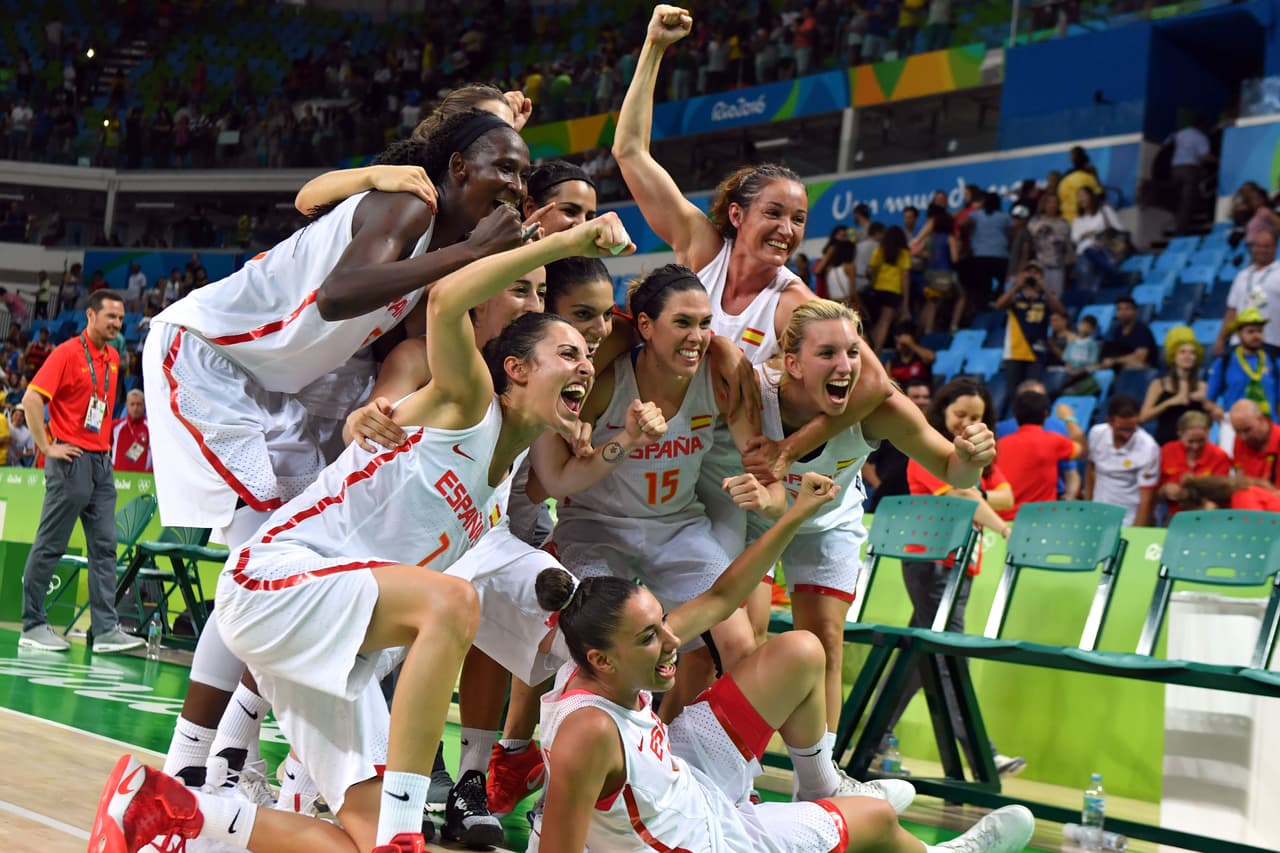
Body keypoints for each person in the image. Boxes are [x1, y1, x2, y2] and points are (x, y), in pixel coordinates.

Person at [88, 213, 637, 853]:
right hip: (271, 579)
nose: (585, 365)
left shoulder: (503, 479)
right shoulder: (470, 400)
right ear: (514, 368)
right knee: (454, 602)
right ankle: (404, 827)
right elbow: (448, 298)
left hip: (332, 642)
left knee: (360, 842)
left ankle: (166, 811)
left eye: (589, 358)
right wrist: (570, 242)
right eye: (568, 353)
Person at [145, 109, 532, 798]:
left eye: (524, 174)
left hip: (276, 387)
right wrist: (472, 252)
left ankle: (233, 761)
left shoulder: (441, 242)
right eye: (504, 166)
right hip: (206, 356)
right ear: (459, 168)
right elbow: (337, 295)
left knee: (294, 565)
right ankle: (191, 764)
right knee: (261, 554)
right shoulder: (412, 206)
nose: (516, 183)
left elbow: (429, 326)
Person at [533, 471, 1034, 853]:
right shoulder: (590, 729)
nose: (671, 642)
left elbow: (724, 595)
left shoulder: (596, 661)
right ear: (602, 659)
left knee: (799, 650)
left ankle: (819, 789)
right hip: (704, 840)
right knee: (876, 822)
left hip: (682, 778)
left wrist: (795, 513)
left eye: (663, 622)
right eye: (650, 636)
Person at [529, 265, 781, 724]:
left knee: (742, 646)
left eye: (706, 324)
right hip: (596, 526)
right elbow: (544, 482)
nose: (698, 336)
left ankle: (719, 775)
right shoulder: (604, 380)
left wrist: (768, 496)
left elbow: (768, 476)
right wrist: (616, 441)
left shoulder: (719, 376)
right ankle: (562, 764)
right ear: (645, 325)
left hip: (677, 526)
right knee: (591, 646)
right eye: (682, 323)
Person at [751, 300, 998, 732]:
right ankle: (737, 769)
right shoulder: (754, 395)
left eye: (852, 352)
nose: (845, 365)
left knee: (826, 642)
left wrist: (971, 457)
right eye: (827, 353)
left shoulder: (881, 408)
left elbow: (950, 467)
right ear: (792, 363)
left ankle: (820, 780)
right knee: (745, 637)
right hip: (757, 517)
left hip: (829, 520)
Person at [880, 377, 1024, 776]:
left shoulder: (979, 458)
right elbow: (965, 496)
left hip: (962, 565)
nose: (967, 423)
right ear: (942, 411)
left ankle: (874, 742)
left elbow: (1006, 495)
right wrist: (1005, 529)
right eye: (960, 414)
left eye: (976, 417)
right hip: (931, 564)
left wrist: (979, 497)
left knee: (916, 657)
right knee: (947, 655)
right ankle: (982, 754)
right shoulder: (928, 452)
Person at [17, 290, 141, 654]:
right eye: (111, 318)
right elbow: (31, 399)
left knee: (104, 546)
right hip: (69, 461)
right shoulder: (67, 353)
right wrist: (46, 446)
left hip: (102, 463)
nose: (118, 325)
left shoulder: (115, 358)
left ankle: (104, 630)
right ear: (91, 315)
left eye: (121, 319)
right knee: (51, 542)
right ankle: (33, 623)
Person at [995, 390, 1085, 518]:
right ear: (1046, 414)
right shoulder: (1054, 441)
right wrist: (1069, 418)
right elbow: (1082, 450)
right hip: (1039, 522)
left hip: (1001, 523)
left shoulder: (999, 445)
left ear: (1015, 414)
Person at [1207, 308, 1280, 452]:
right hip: (1236, 430)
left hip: (1269, 428)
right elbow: (1208, 400)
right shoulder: (1225, 362)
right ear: (1239, 334)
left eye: (1259, 331)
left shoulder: (1273, 362)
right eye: (1251, 331)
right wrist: (1215, 409)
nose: (1256, 336)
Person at [1086, 394, 1160, 526]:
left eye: (1132, 429)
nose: (1127, 434)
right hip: (1097, 514)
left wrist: (1136, 534)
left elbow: (1146, 498)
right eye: (1122, 429)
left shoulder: (1149, 448)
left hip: (1128, 519)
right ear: (1109, 421)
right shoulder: (1096, 434)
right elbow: (1091, 469)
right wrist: (1088, 507)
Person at [1139, 327, 1219, 446]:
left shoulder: (1203, 386)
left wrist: (1206, 403)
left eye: (1192, 352)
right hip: (1166, 444)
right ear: (1173, 356)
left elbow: (1213, 420)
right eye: (1182, 352)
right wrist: (1170, 402)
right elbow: (1143, 417)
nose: (1188, 356)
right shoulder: (1158, 385)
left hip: (1195, 445)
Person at [993, 260, 1066, 390]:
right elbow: (998, 305)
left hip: (1037, 350)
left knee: (1031, 392)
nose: (1032, 275)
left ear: (1041, 276)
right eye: (1029, 272)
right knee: (1013, 392)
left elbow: (1060, 311)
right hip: (1015, 350)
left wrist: (1043, 287)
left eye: (1036, 272)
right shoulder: (1016, 296)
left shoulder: (1046, 297)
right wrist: (1016, 285)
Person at [864, 379, 932, 510]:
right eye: (916, 397)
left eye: (925, 397)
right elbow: (866, 464)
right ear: (905, 399)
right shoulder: (888, 426)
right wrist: (882, 488)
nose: (921, 401)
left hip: (918, 501)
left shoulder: (934, 429)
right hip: (887, 499)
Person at [1216, 229, 1280, 359]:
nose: (1261, 250)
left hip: (1271, 341)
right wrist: (1221, 338)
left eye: (1266, 246)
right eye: (1258, 246)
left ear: (1275, 248)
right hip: (1239, 342)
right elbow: (1232, 310)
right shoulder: (1242, 275)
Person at [1158, 410, 1232, 518]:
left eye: (1201, 441)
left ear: (1208, 433)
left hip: (1207, 516)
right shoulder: (1166, 451)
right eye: (1190, 441)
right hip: (1173, 515)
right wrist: (1164, 490)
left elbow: (1222, 494)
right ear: (1180, 434)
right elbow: (1151, 492)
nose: (1195, 447)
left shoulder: (1219, 456)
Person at [1166, 116, 1216, 235]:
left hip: (1175, 169)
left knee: (1178, 201)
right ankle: (1181, 232)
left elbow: (1166, 144)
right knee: (1187, 202)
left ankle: (1178, 225)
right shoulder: (1200, 137)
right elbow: (1204, 156)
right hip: (1190, 170)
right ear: (1203, 127)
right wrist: (1220, 161)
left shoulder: (1179, 134)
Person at [867, 225, 913, 350]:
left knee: (876, 322)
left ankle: (869, 349)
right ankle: (876, 352)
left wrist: (873, 282)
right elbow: (905, 277)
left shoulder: (880, 250)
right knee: (885, 323)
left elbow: (871, 269)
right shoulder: (903, 253)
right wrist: (905, 300)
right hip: (893, 290)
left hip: (878, 288)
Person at [1072, 186, 1123, 291]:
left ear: (1091, 196)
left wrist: (1100, 232)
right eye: (1079, 196)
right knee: (1085, 286)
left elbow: (1119, 228)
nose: (1082, 199)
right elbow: (1074, 238)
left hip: (1104, 251)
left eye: (1084, 195)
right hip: (1085, 254)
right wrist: (1086, 234)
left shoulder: (1105, 211)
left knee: (1106, 283)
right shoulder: (1078, 218)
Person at [1027, 192, 1073, 298]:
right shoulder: (1035, 221)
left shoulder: (1064, 223)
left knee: (1055, 296)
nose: (1052, 205)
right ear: (1044, 204)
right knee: (1039, 296)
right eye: (1049, 202)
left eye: (1055, 202)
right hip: (1039, 266)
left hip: (1058, 265)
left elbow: (1067, 245)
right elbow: (1031, 238)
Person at [1227, 399, 1280, 489]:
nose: (1243, 437)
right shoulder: (1239, 441)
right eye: (1237, 431)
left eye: (1247, 430)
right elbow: (1239, 479)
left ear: (1261, 419)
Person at [1100, 296, 1157, 370]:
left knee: (1129, 366)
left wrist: (1114, 361)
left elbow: (1140, 357)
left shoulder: (1142, 330)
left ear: (1135, 311)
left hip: (1145, 368)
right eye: (1119, 309)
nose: (1123, 312)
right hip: (1120, 365)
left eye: (1127, 309)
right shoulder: (1117, 330)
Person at [1178, 474, 1280, 512]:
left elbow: (1257, 530)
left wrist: (1213, 515)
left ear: (1206, 501)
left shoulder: (1242, 496)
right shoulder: (1236, 499)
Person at [1057, 145, 1102, 223]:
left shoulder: (1089, 171)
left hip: (1088, 213)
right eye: (1071, 155)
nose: (1071, 158)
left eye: (1072, 155)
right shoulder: (1068, 174)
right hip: (1071, 215)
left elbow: (1099, 193)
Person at [111, 388, 152, 472]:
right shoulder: (115, 426)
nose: (135, 408)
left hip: (144, 481)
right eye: (132, 404)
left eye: (139, 404)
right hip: (118, 479)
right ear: (126, 405)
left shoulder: (152, 429)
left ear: (144, 405)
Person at [886, 320, 935, 386]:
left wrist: (911, 344)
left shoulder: (921, 357)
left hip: (921, 394)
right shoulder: (891, 364)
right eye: (897, 336)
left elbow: (931, 358)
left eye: (900, 335)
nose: (898, 339)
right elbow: (889, 385)